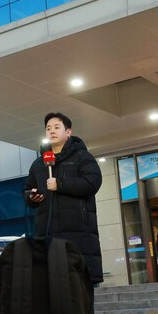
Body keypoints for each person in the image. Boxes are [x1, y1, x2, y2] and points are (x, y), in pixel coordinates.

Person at [24, 112, 103, 286]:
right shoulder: (39, 164)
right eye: (48, 128)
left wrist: (60, 184)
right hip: (47, 234)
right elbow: (28, 190)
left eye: (56, 127)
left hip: (78, 233)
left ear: (68, 132)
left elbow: (92, 183)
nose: (51, 131)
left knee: (80, 290)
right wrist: (32, 198)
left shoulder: (82, 157)